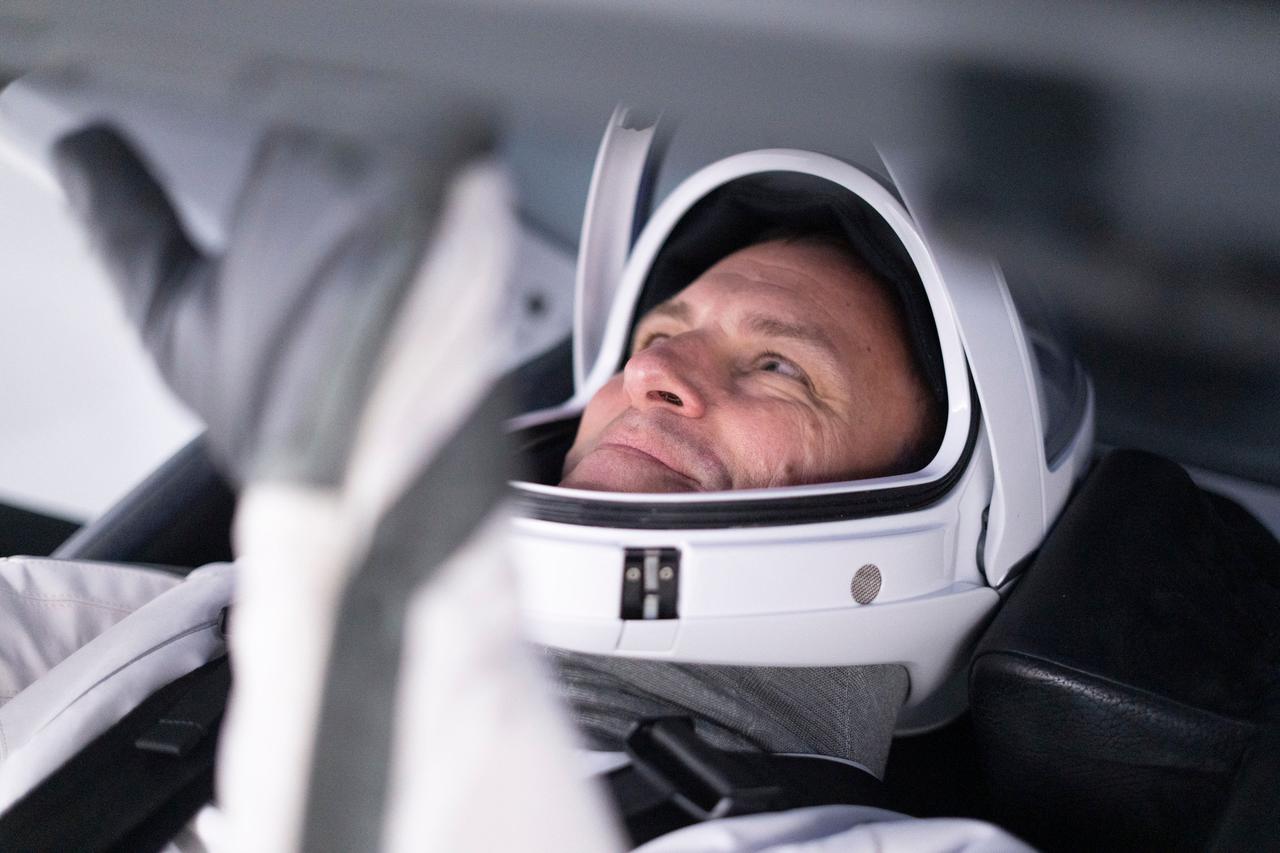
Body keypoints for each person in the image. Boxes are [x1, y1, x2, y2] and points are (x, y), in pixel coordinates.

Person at [0, 125, 1080, 852]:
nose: (656, 373)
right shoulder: (218, 621)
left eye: (777, 367)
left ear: (938, 512)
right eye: (657, 336)